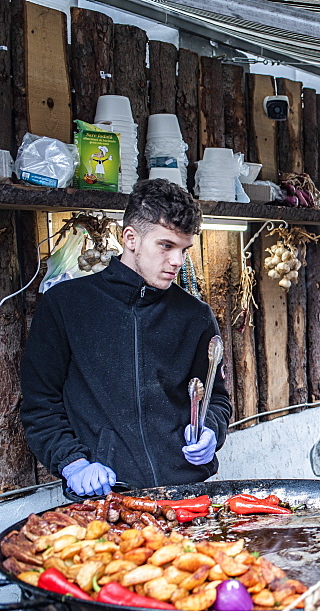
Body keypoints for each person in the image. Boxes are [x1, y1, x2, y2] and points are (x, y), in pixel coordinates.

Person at [21, 179, 232, 496]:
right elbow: (41, 407)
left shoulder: (195, 316)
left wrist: (211, 432)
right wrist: (73, 463)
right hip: (105, 495)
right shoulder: (65, 305)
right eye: (166, 246)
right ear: (131, 238)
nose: (177, 261)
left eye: (183, 249)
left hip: (186, 494)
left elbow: (215, 398)